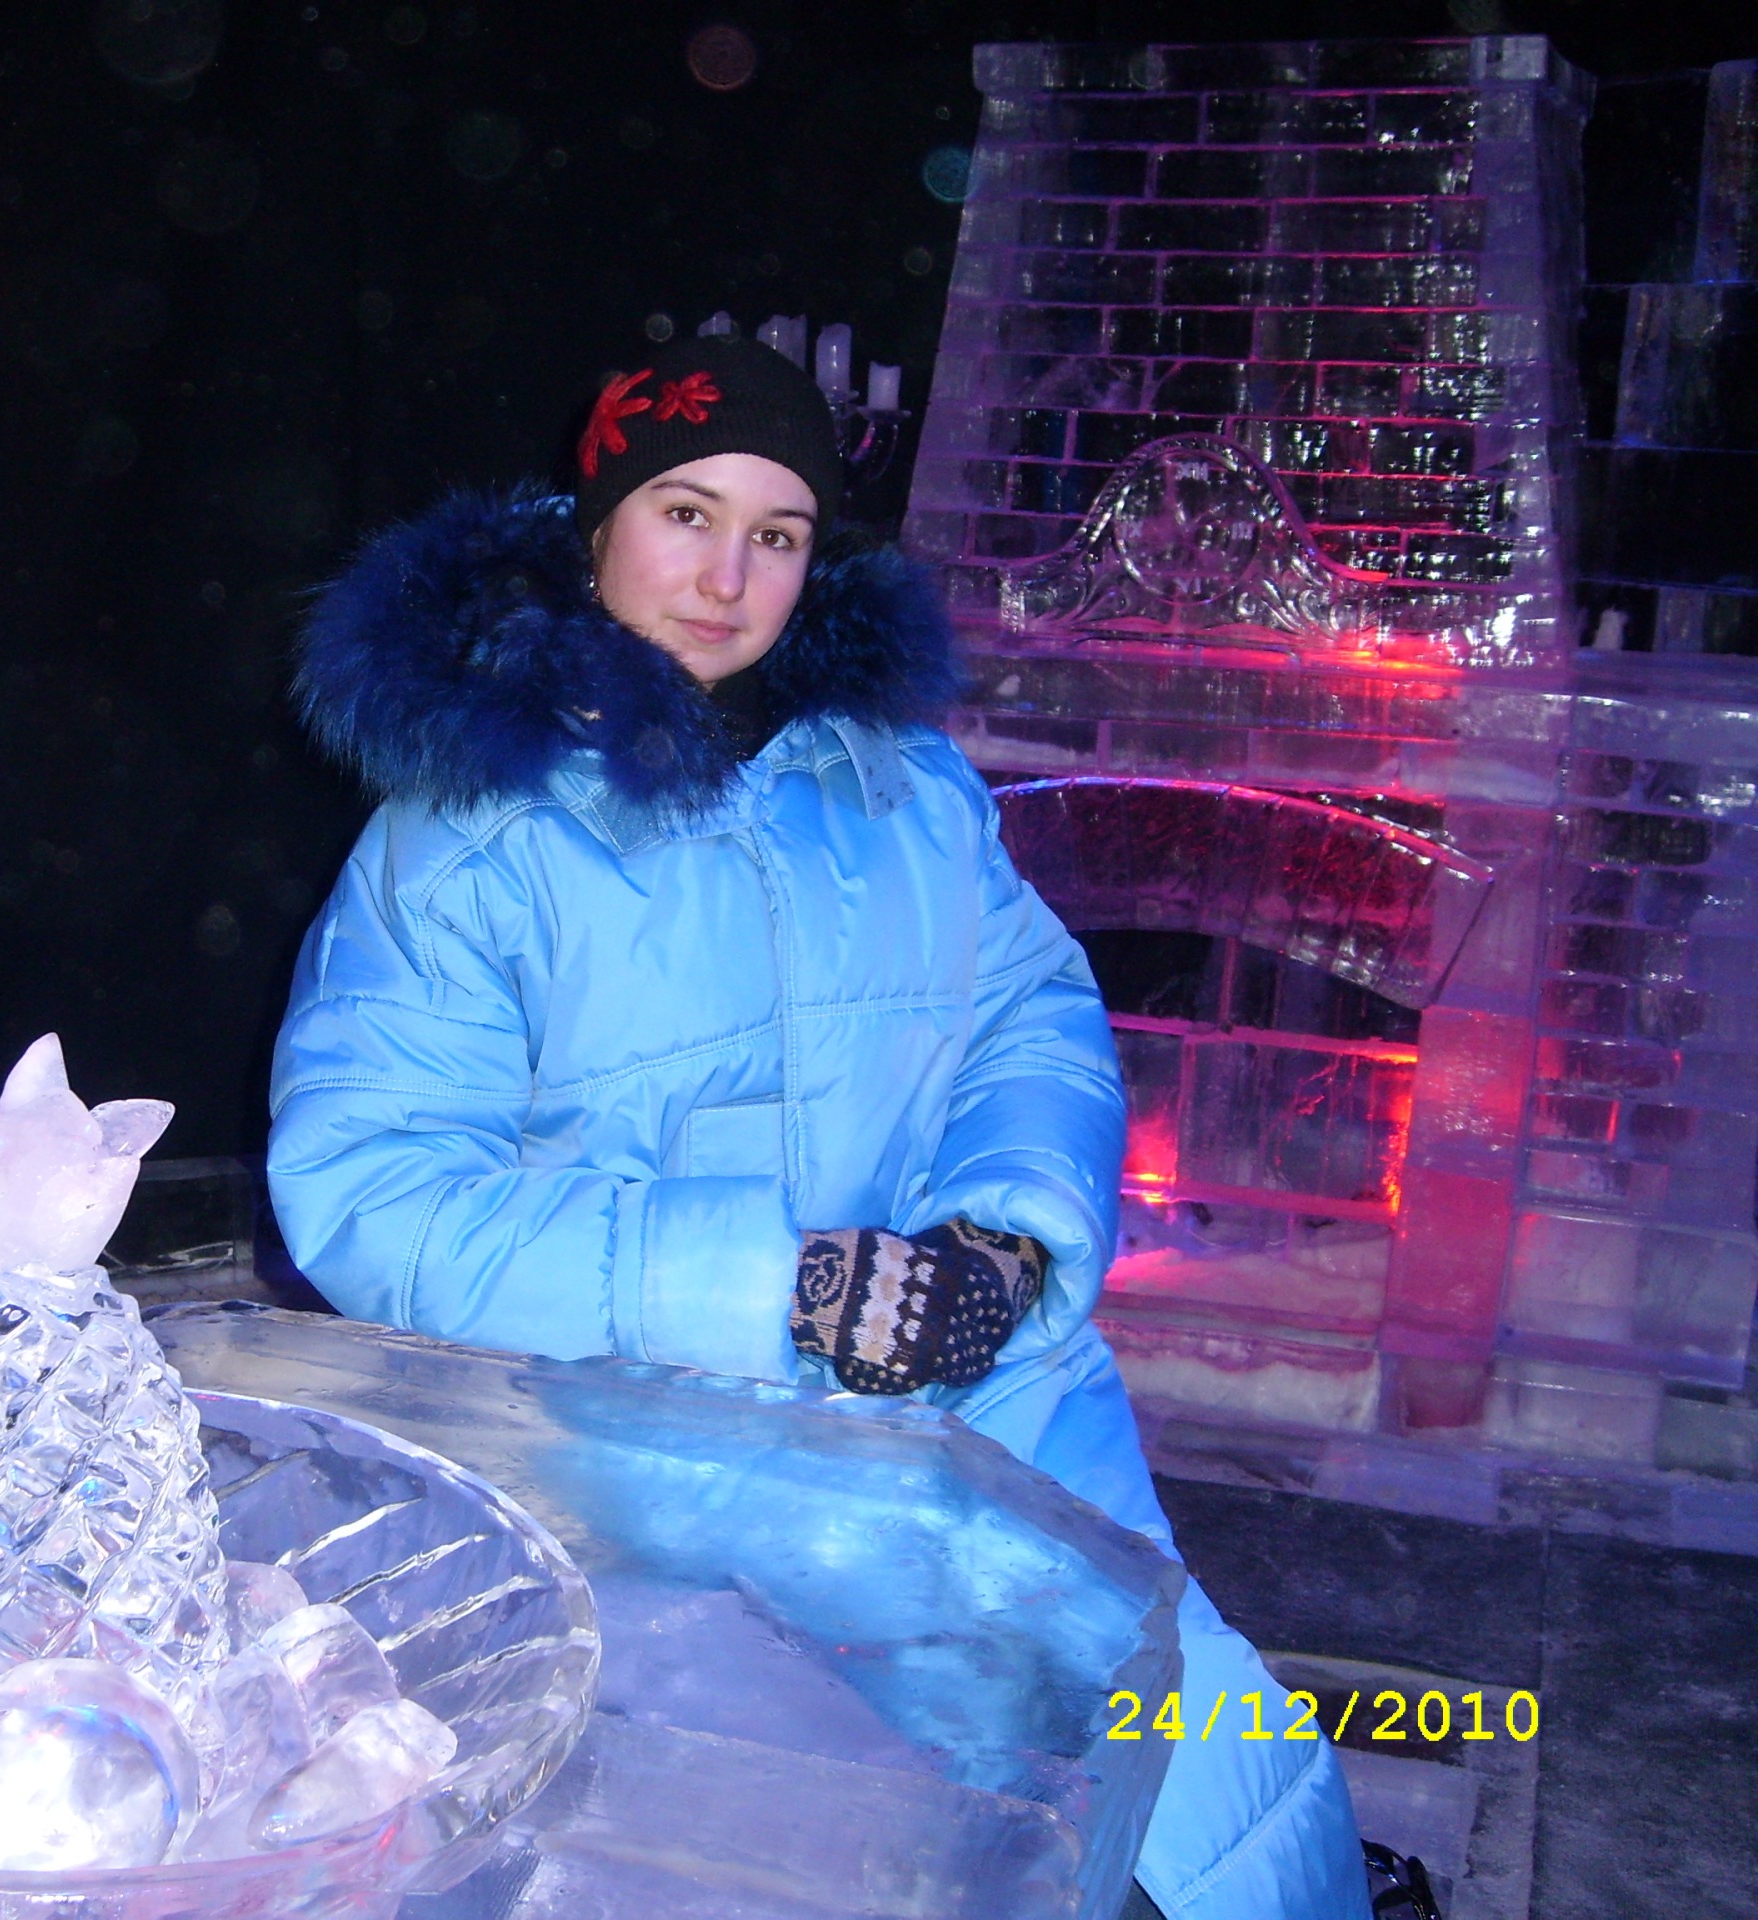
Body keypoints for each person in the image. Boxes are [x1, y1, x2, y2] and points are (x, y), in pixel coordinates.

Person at [267, 331, 1370, 1920]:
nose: (728, 578)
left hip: (989, 1387)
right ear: (599, 527)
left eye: (776, 534)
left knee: (1216, 1772)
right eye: (687, 516)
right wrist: (775, 1286)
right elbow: (376, 1198)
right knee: (933, 1821)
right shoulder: (463, 841)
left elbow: (1030, 1016)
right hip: (660, 1442)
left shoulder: (898, 784)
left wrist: (1001, 1243)